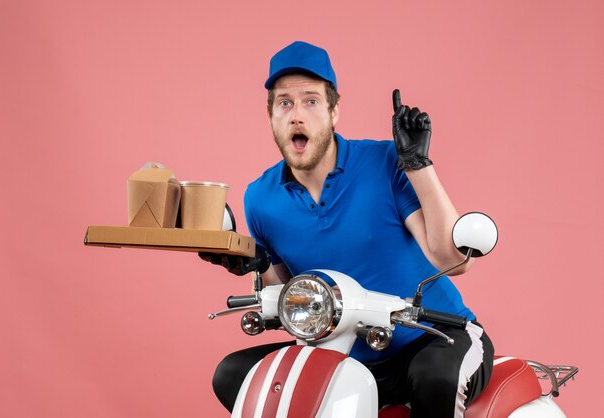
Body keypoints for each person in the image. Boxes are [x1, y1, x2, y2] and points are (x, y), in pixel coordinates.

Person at [200, 41, 494, 418]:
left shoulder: (384, 161)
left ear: (334, 111)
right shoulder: (260, 197)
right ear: (271, 116)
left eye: (311, 101)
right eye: (284, 103)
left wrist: (418, 164)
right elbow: (292, 296)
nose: (296, 116)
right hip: (343, 353)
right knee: (234, 374)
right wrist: (253, 264)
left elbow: (453, 260)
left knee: (435, 376)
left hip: (434, 338)